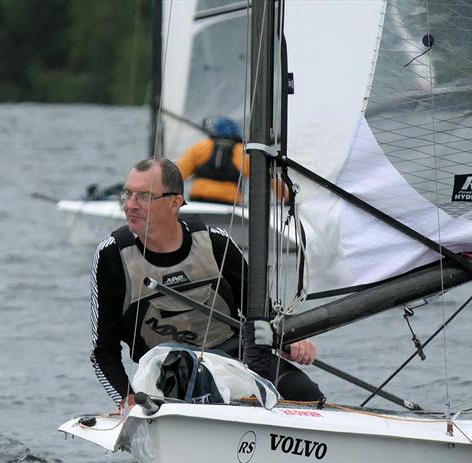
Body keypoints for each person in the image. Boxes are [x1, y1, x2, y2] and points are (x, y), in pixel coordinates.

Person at [90, 157, 322, 409]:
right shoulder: (111, 256)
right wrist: (127, 399)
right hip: (165, 373)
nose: (130, 206)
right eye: (128, 195)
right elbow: (103, 350)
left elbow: (261, 313)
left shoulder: (215, 242)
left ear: (175, 202)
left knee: (309, 396)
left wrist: (289, 339)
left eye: (144, 196)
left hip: (233, 359)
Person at [176, 117, 246, 205]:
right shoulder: (242, 151)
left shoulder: (200, 147)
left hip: (199, 200)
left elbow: (178, 174)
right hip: (229, 203)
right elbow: (261, 175)